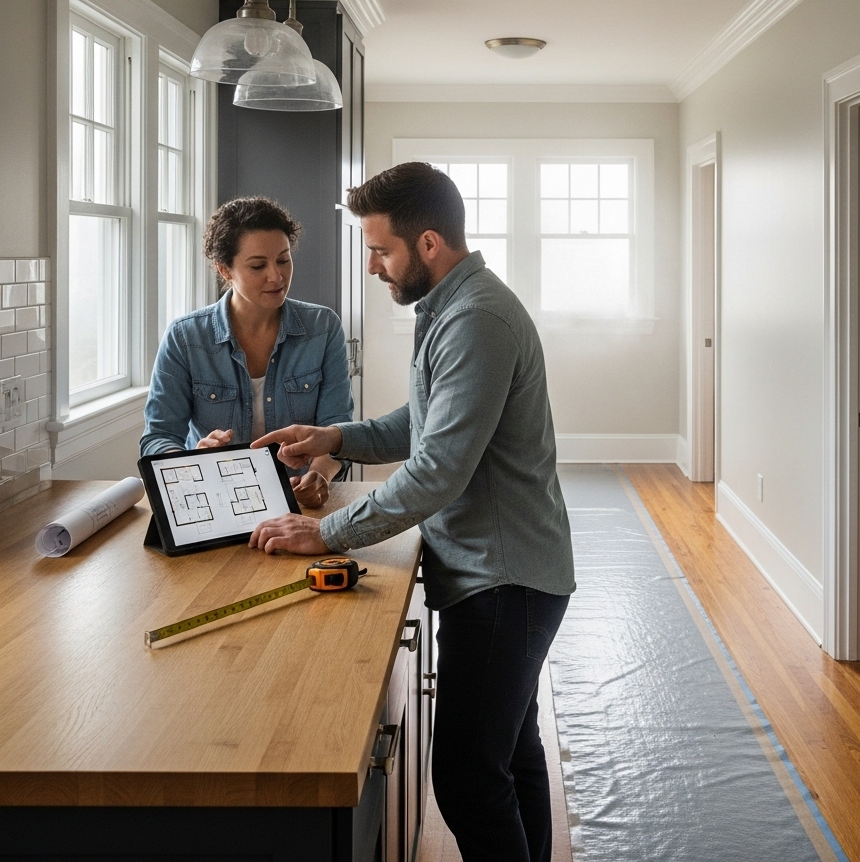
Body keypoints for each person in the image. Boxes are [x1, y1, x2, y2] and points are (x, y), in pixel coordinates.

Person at [248, 162, 575, 862]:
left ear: (428, 244)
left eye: (381, 250)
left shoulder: (476, 320)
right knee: (510, 760)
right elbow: (424, 425)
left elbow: (436, 470)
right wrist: (335, 438)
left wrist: (327, 531)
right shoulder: (456, 308)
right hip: (503, 574)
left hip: (503, 583)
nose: (372, 266)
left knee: (465, 780)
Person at [141, 196, 353, 508]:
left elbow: (338, 428)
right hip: (215, 501)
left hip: (301, 503)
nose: (276, 276)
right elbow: (157, 438)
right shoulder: (185, 337)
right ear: (224, 269)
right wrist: (190, 460)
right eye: (257, 266)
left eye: (283, 260)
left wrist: (319, 476)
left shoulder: (322, 328)